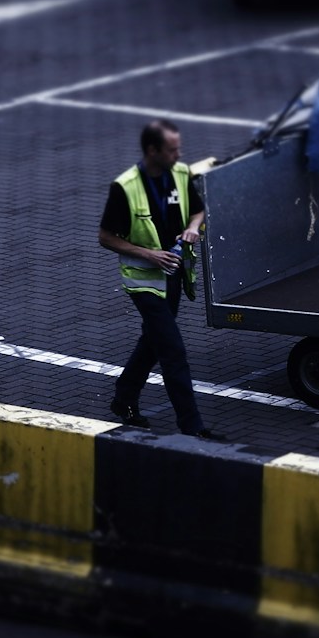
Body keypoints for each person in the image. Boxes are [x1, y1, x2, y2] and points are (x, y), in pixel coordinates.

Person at [97, 119, 216, 438]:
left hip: (173, 275)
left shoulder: (179, 173)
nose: (179, 154)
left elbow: (198, 210)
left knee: (153, 341)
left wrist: (193, 227)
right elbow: (106, 237)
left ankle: (124, 397)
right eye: (173, 149)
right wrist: (150, 255)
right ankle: (192, 426)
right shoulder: (125, 187)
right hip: (145, 282)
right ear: (153, 150)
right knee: (172, 350)